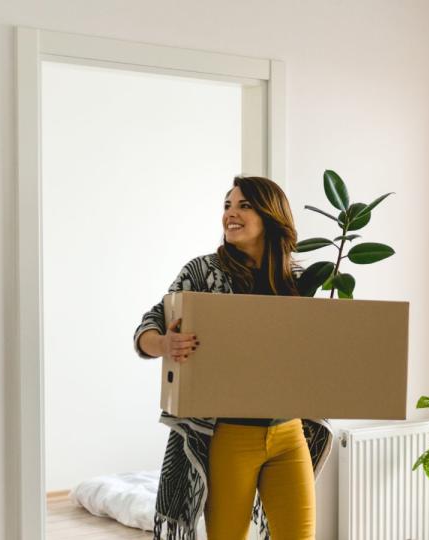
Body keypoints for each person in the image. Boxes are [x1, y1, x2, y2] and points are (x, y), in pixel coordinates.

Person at [133, 175, 333, 540]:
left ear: (271, 215)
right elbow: (149, 325)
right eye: (227, 205)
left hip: (290, 433)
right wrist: (164, 344)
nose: (230, 214)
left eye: (243, 205)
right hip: (229, 437)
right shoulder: (201, 272)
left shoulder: (298, 279)